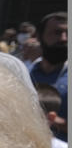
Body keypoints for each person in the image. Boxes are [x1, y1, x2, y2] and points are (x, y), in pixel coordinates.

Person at [29, 11, 68, 140]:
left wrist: (53, 120)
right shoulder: (24, 74)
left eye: (68, 33)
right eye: (57, 33)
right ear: (39, 37)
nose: (64, 39)